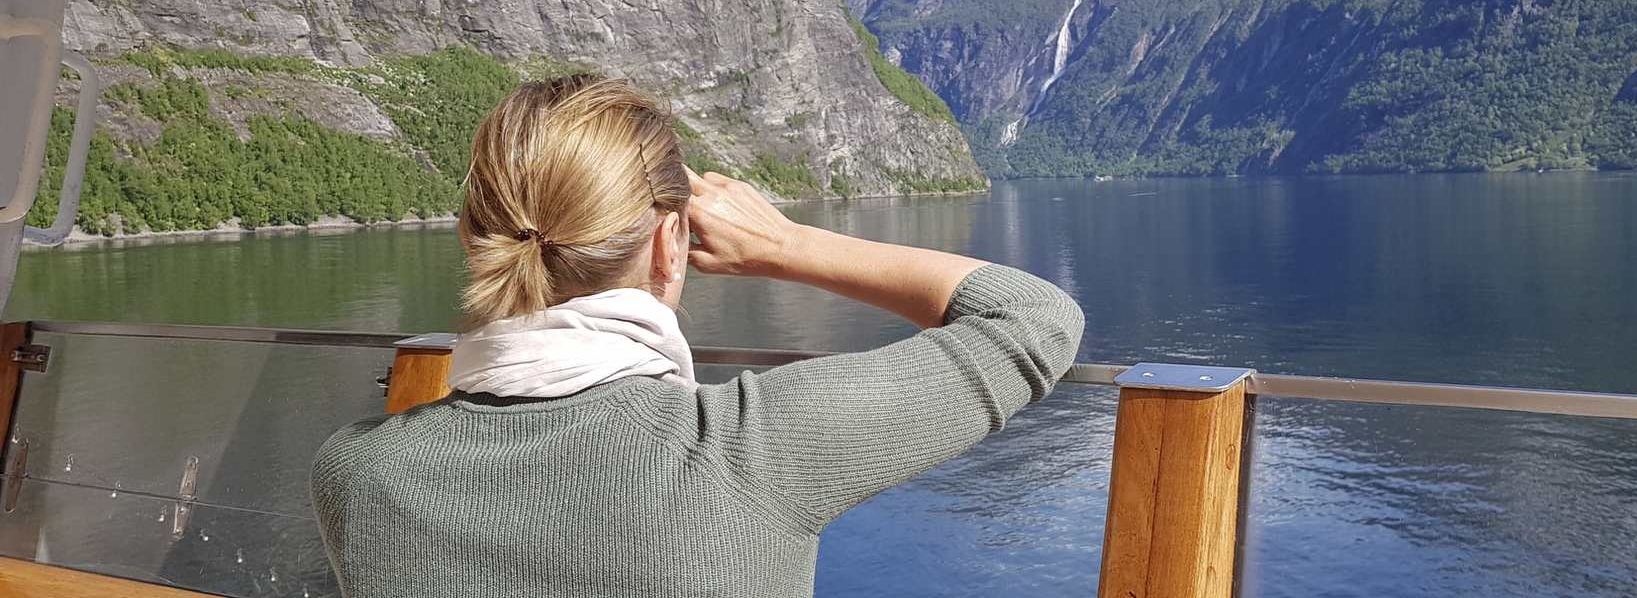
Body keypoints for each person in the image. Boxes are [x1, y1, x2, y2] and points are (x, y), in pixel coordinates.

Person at [310, 75, 1084, 597]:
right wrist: (785, 244)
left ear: (471, 239)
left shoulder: (358, 472)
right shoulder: (754, 449)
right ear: (669, 243)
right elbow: (1035, 320)